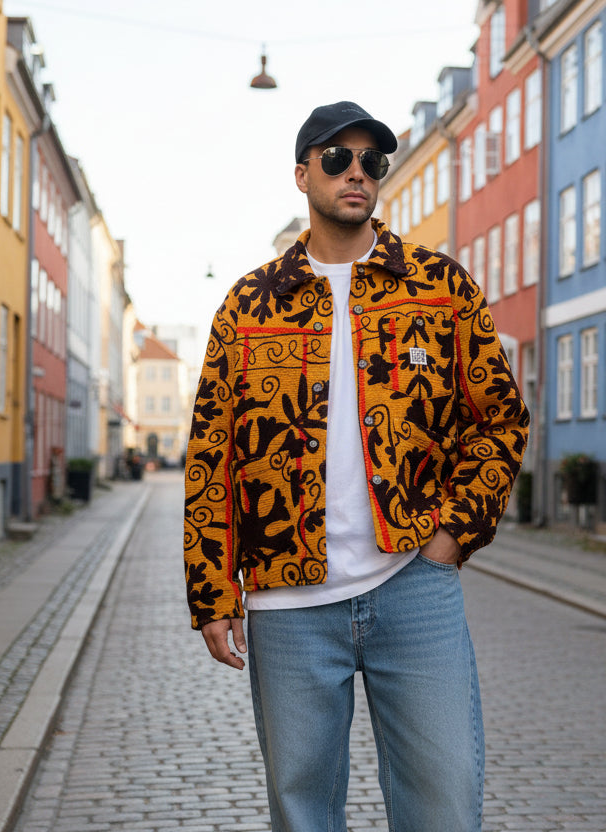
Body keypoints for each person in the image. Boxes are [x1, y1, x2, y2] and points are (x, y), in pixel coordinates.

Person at [184, 100, 529, 831]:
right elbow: (212, 454)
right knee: (302, 812)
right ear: (302, 173)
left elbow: (499, 422)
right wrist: (212, 591)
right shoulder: (249, 303)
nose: (356, 173)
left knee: (445, 800)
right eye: (337, 158)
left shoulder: (440, 286)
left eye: (372, 161)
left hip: (414, 585)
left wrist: (452, 537)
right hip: (288, 603)